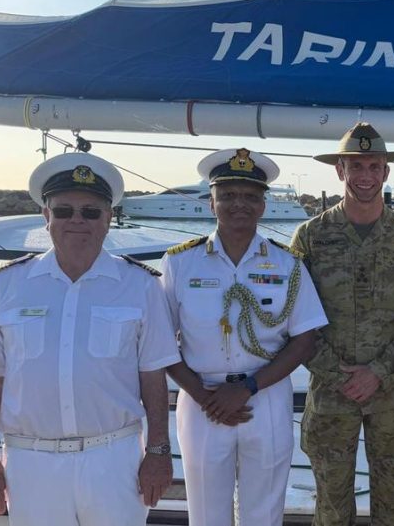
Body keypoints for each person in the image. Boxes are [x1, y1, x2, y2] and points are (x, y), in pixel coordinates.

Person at [0, 152, 179, 525]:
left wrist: (159, 451)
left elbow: (153, 377)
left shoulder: (140, 286)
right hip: (30, 462)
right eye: (64, 210)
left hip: (114, 459)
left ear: (108, 219)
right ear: (45, 216)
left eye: (90, 212)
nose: (76, 221)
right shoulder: (7, 286)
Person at [161, 148, 327, 526]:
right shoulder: (179, 262)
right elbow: (160, 342)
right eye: (229, 196)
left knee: (264, 513)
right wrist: (205, 396)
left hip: (265, 398)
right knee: (205, 513)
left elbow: (305, 340)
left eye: (250, 197)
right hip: (201, 399)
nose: (240, 204)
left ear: (263, 205)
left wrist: (247, 388)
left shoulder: (288, 264)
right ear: (211, 202)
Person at [290, 122, 394, 526]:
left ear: (386, 172)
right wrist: (339, 375)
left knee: (392, 506)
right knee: (332, 507)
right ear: (340, 171)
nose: (365, 176)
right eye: (356, 166)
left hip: (393, 393)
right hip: (332, 395)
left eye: (374, 166)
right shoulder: (311, 237)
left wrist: (377, 373)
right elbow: (295, 318)